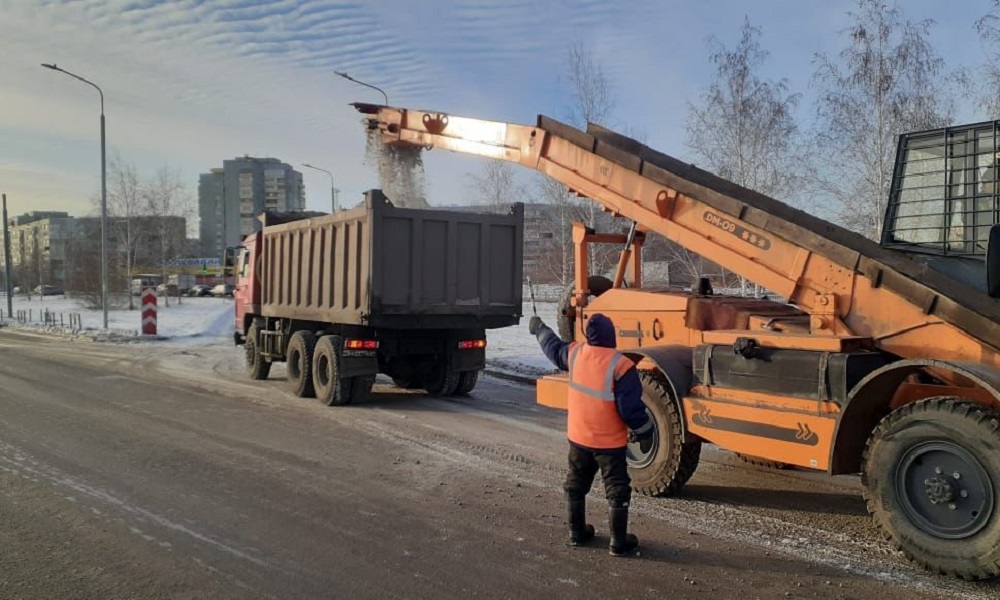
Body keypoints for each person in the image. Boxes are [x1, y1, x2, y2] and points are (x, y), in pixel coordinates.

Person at [529, 312, 654, 557]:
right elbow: (630, 408)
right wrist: (645, 431)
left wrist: (539, 328)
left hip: (579, 439)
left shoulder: (575, 354)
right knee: (617, 489)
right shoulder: (621, 365)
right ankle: (618, 542)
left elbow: (553, 348)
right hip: (609, 443)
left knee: (575, 484)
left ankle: (577, 533)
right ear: (611, 336)